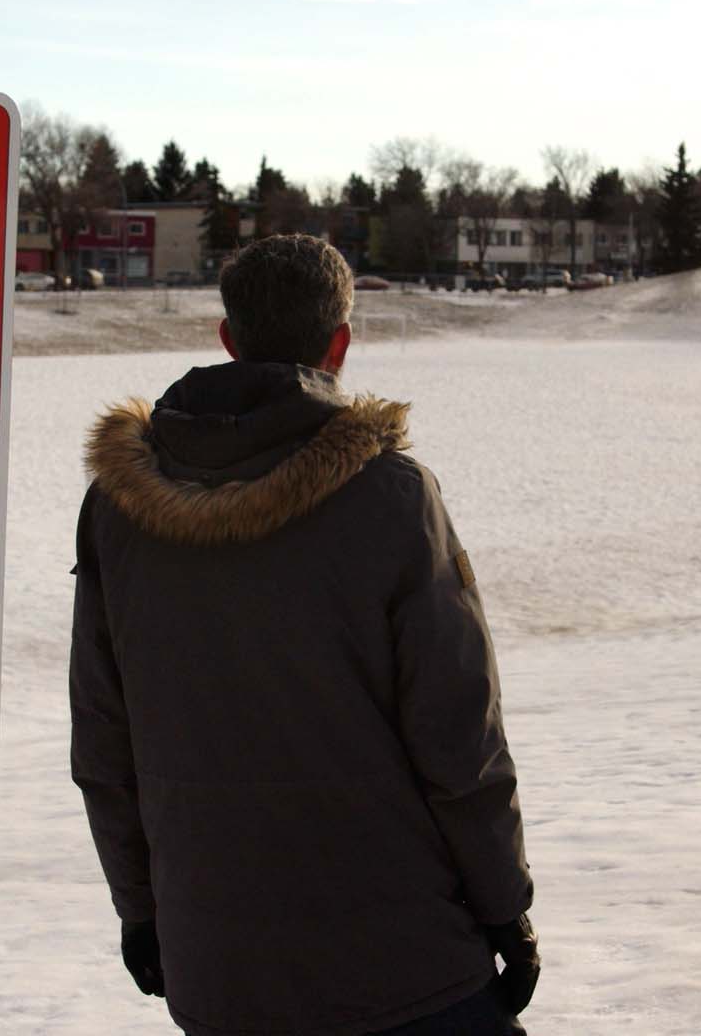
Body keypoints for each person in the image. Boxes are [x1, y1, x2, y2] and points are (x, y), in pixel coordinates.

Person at [69, 233, 538, 1035]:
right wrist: (505, 910)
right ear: (340, 344)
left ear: (228, 338)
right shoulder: (389, 495)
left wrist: (143, 910)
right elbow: (459, 736)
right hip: (407, 962)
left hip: (218, 963)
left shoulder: (119, 506)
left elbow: (104, 744)